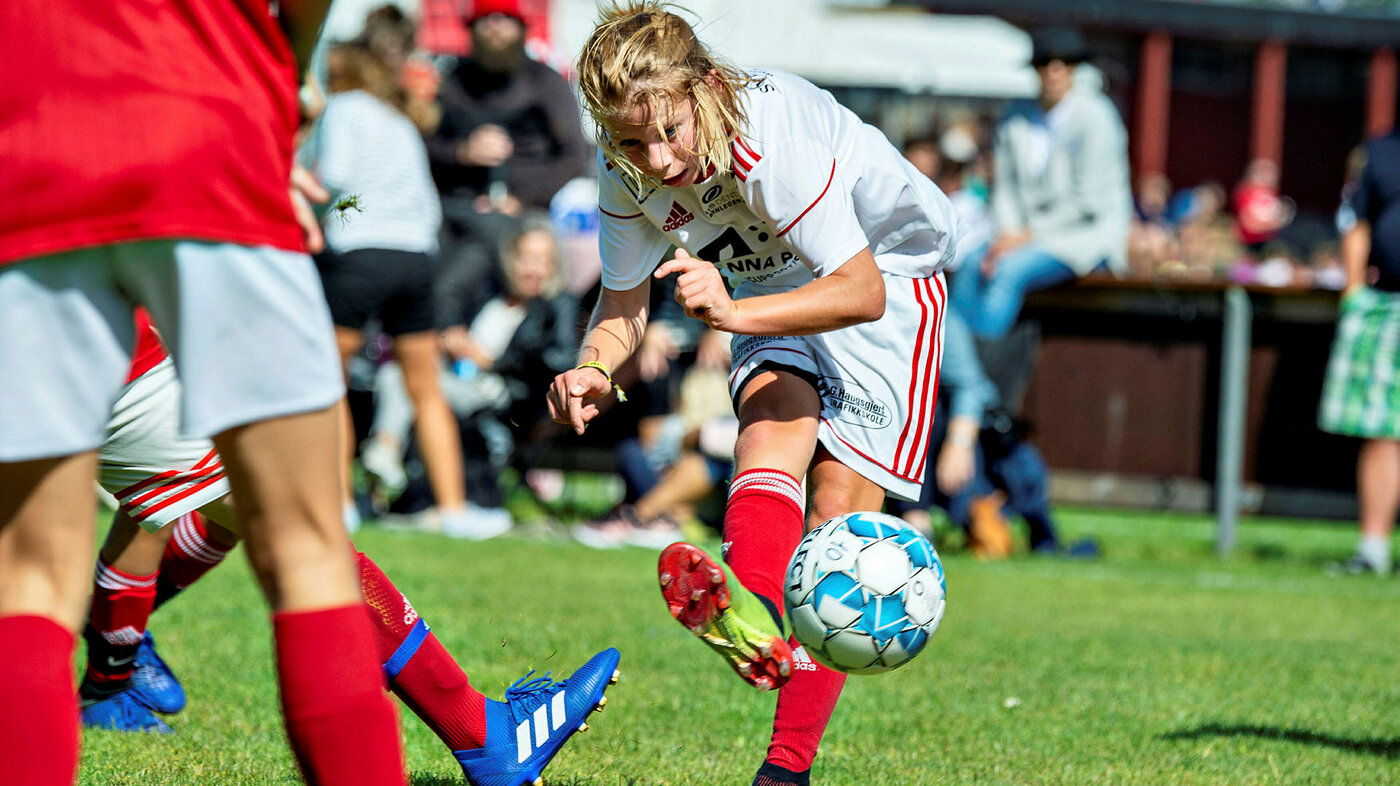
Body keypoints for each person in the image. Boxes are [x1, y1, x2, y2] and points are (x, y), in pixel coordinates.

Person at [551, 5, 964, 784]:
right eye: (633, 140)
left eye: (670, 130)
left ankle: (785, 769)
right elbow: (621, 303)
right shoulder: (625, 164)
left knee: (838, 516)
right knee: (769, 432)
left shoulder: (770, 141)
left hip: (892, 275)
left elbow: (860, 290)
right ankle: (760, 622)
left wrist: (733, 314)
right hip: (771, 283)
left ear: (704, 88)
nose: (658, 157)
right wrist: (595, 370)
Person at [0, 2, 410, 783]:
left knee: (25, 578)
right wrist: (282, 87)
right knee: (307, 550)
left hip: (29, 139)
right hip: (210, 121)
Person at [78, 313, 621, 786]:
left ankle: (104, 673)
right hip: (111, 352)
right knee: (306, 543)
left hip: (46, 350)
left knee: (165, 516)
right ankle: (486, 736)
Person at [301, 39, 475, 535]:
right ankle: (454, 510)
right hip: (417, 255)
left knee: (328, 383)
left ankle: (340, 506)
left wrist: (311, 214)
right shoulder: (399, 120)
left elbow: (333, 177)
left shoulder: (343, 109)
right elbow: (427, 201)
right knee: (426, 387)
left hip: (360, 253)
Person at [366, 214, 579, 532]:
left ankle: (384, 451)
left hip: (504, 394)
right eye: (526, 258)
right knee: (396, 375)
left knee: (408, 381)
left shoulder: (556, 305)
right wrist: (450, 340)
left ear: (553, 266)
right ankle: (385, 457)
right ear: (511, 259)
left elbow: (557, 359)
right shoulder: (490, 295)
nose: (532, 269)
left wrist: (490, 361)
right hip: (458, 380)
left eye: (542, 260)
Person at [950, 26, 1132, 339]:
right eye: (1045, 63)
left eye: (1063, 64)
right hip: (1020, 236)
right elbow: (1004, 188)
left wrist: (1022, 236)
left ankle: (977, 369)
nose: (1054, 72)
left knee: (1007, 273)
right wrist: (1009, 232)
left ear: (1075, 69)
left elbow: (1087, 203)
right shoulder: (1015, 116)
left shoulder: (1097, 116)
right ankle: (964, 372)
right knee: (969, 265)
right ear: (1035, 69)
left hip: (1085, 238)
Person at [426, 0, 592, 299]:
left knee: (453, 283)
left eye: (504, 19)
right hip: (452, 208)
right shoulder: (453, 81)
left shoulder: (544, 81)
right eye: (486, 19)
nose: (495, 28)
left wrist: (521, 198)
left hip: (519, 217)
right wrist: (463, 152)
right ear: (471, 28)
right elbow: (425, 147)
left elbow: (574, 157)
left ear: (521, 27)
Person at [1319, 131, 1400, 577]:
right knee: (1382, 429)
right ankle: (1372, 550)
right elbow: (1359, 222)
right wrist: (1352, 292)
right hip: (1387, 303)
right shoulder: (1382, 152)